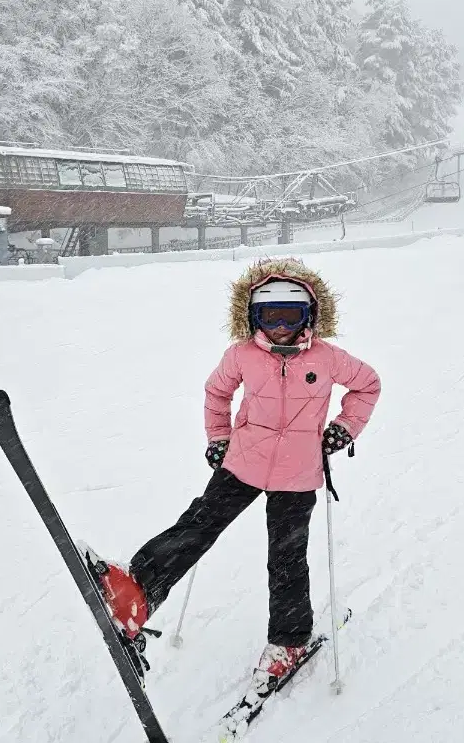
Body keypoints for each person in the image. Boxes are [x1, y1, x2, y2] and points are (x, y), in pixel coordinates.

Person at [92, 257, 381, 690]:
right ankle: (139, 589)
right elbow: (217, 392)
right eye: (270, 316)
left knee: (286, 558)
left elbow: (368, 384)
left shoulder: (328, 357)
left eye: (292, 315)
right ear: (253, 317)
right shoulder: (242, 355)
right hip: (243, 460)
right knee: (200, 523)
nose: (281, 327)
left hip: (298, 473)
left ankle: (289, 640)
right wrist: (218, 438)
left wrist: (344, 427)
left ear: (311, 316)